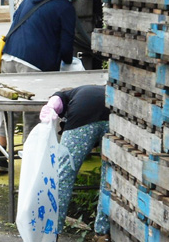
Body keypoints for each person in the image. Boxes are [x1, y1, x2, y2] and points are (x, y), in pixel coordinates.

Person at [0, 0, 99, 172]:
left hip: (8, 56)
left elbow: (16, 18)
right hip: (33, 64)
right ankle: (33, 167)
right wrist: (66, 60)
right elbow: (67, 48)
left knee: (5, 108)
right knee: (33, 113)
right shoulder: (65, 7)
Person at [39, 85, 110, 242]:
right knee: (108, 178)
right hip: (112, 116)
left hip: (82, 116)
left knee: (63, 175)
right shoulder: (89, 89)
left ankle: (51, 232)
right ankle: (102, 233)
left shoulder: (65, 96)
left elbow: (56, 102)